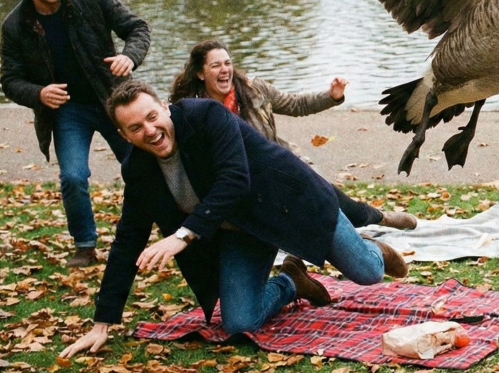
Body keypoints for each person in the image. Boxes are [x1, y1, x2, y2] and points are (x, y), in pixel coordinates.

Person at [59, 80, 409, 358]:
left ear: (165, 107)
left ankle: (374, 250)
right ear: (123, 136)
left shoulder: (206, 116)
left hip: (291, 202)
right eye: (135, 128)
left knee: (367, 273)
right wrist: (103, 322)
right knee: (239, 322)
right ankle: (291, 282)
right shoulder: (138, 169)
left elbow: (234, 179)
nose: (149, 131)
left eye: (152, 117)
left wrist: (182, 235)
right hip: (241, 231)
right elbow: (128, 240)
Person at [1, 0, 151, 268]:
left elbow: (138, 29)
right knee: (72, 176)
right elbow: (10, 81)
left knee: (143, 167)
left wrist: (129, 56)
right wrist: (38, 93)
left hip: (114, 101)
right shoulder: (15, 26)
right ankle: (85, 244)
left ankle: (164, 231)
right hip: (68, 110)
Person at [169, 39, 416, 230]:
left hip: (278, 167)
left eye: (228, 63)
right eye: (216, 65)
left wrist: (332, 96)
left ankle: (379, 218)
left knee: (327, 201)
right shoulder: (191, 111)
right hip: (238, 186)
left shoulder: (255, 90)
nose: (225, 70)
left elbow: (296, 104)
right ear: (200, 73)